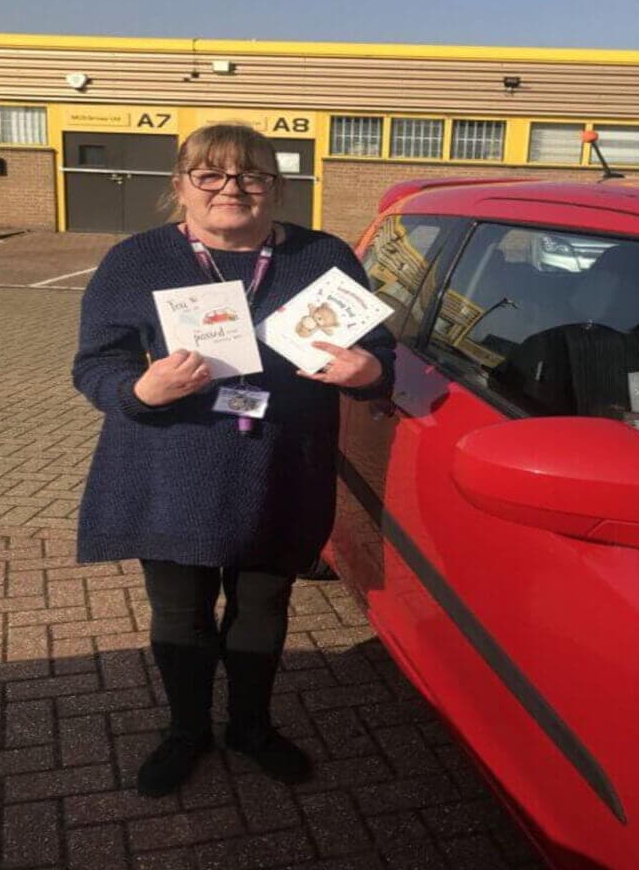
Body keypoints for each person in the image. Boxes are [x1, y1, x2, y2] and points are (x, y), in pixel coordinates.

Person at [72, 123, 395, 797]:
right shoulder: (136, 260)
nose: (231, 189)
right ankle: (187, 729)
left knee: (262, 605)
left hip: (282, 465)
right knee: (181, 611)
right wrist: (138, 389)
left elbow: (381, 355)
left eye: (250, 176)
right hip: (169, 466)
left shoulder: (323, 256)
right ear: (180, 186)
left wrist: (367, 371)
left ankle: (249, 725)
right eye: (210, 175)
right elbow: (95, 364)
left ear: (274, 187)